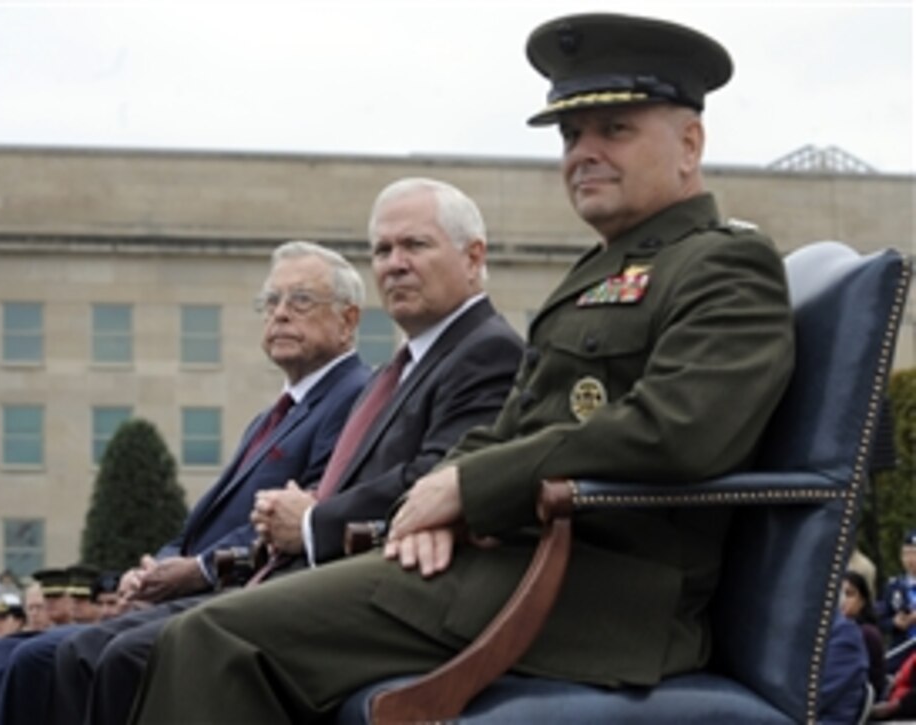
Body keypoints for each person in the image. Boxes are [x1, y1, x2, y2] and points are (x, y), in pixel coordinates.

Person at [129, 13, 796, 724]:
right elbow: (513, 423)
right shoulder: (601, 271)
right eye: (573, 136)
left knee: (214, 637)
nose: (584, 153)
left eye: (616, 130)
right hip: (510, 561)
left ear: (690, 142)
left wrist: (471, 489)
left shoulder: (724, 262)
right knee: (215, 627)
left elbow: (680, 429)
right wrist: (433, 502)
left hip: (600, 596)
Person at [56, 177, 524, 725]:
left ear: (474, 257)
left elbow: (441, 480)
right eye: (382, 249)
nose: (394, 264)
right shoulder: (403, 370)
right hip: (334, 574)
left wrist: (311, 522)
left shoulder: (487, 351)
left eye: (415, 245)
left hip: (407, 591)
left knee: (165, 646)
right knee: (87, 651)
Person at [0, 239, 372, 725]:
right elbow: (204, 525)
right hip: (194, 593)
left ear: (348, 321)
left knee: (51, 658)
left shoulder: (355, 397)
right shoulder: (272, 415)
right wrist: (156, 566)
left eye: (300, 300)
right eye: (271, 302)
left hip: (243, 598)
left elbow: (300, 517)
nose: (280, 314)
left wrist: (196, 568)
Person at [840, 570, 887, 700]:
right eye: (838, 594)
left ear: (862, 601)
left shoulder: (866, 633)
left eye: (849, 594)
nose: (842, 600)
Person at [880, 529, 916, 647]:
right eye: (906, 554)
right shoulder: (893, 586)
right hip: (902, 653)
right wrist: (894, 622)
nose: (910, 559)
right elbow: (881, 620)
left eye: (914, 553)